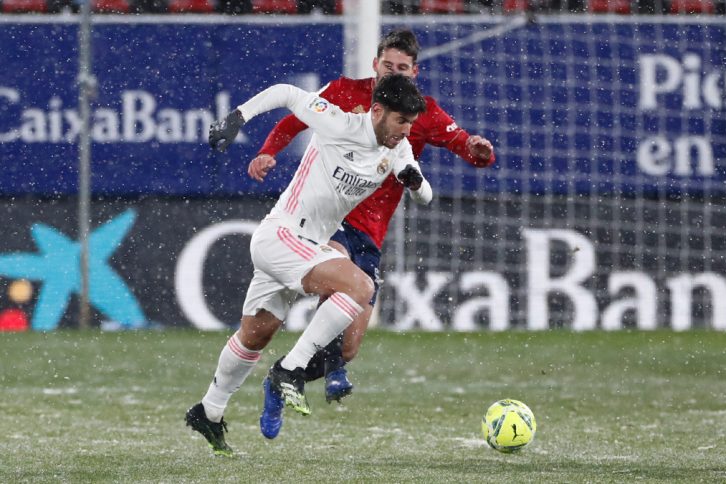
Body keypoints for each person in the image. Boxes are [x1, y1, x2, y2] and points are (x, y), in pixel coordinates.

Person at [248, 29, 495, 414]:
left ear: (414, 72)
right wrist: (268, 152)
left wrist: (478, 152)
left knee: (348, 346)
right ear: (374, 64)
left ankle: (288, 378)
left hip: (371, 233)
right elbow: (294, 120)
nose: (392, 72)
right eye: (387, 64)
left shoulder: (417, 113)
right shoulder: (345, 92)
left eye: (401, 67)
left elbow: (464, 147)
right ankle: (294, 369)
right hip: (333, 222)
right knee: (343, 279)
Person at [185, 74, 432, 456]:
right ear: (378, 111)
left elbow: (425, 195)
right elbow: (286, 94)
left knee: (255, 336)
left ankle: (209, 411)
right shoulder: (338, 122)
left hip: (309, 246)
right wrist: (237, 117)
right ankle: (290, 368)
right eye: (401, 122)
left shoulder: (398, 149)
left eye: (411, 125)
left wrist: (415, 182)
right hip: (281, 235)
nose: (406, 131)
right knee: (360, 287)